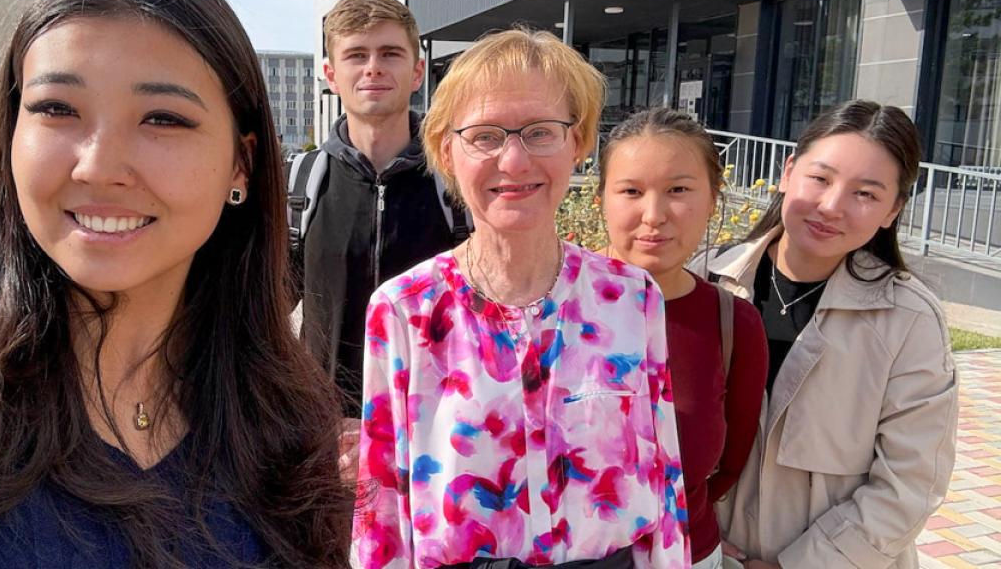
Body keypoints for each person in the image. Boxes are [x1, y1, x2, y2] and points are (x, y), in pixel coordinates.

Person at [0, 0, 351, 568]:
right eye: (57, 108)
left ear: (241, 166)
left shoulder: (288, 421)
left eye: (162, 118)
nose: (97, 166)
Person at [354, 28, 689, 569]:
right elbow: (382, 513)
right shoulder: (405, 310)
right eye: (484, 136)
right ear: (446, 150)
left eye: (540, 132)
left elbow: (663, 473)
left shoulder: (630, 297)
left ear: (577, 143)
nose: (513, 161)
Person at [694, 100, 958, 569]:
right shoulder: (704, 284)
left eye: (866, 194)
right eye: (820, 178)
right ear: (788, 171)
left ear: (892, 210)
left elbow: (910, 483)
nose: (832, 206)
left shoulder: (908, 320)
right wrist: (697, 538)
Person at [598, 108, 768, 569]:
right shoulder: (550, 307)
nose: (654, 216)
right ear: (601, 199)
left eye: (678, 190)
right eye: (631, 191)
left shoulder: (734, 324)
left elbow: (729, 465)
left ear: (713, 198)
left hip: (690, 556)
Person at [292, 0, 470, 422]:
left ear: (417, 71)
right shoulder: (299, 182)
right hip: (325, 431)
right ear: (331, 75)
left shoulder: (458, 179)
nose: (373, 68)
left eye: (390, 53)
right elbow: (264, 308)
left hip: (438, 428)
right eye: (357, 55)